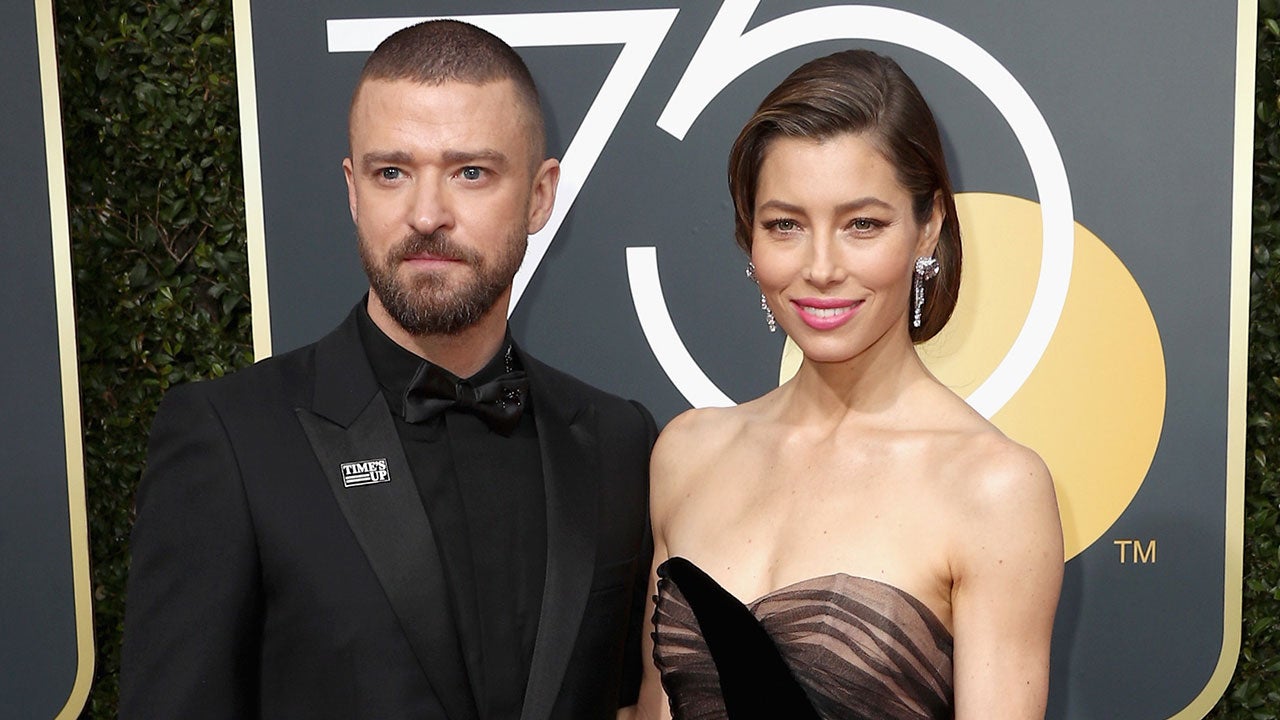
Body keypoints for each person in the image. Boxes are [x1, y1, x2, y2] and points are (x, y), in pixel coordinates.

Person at [121, 20, 654, 720]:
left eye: (471, 172)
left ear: (539, 195)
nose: (427, 214)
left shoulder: (618, 442)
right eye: (392, 172)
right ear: (352, 190)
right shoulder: (231, 440)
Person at [630, 50, 1063, 720]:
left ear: (930, 227)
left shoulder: (993, 488)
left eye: (863, 223)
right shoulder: (688, 453)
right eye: (786, 225)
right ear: (749, 237)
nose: (822, 267)